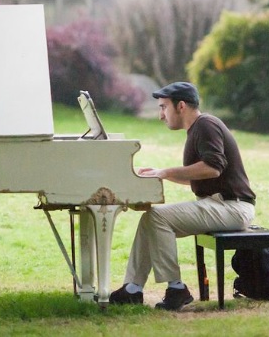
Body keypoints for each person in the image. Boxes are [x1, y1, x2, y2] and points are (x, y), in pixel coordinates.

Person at [109, 81, 256, 310]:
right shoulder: (198, 128)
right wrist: (159, 175)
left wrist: (166, 172)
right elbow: (200, 176)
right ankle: (133, 288)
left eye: (163, 107)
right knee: (150, 219)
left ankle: (176, 289)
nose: (160, 115)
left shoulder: (206, 125)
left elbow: (213, 167)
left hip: (233, 208)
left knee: (157, 216)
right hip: (221, 205)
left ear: (180, 106)